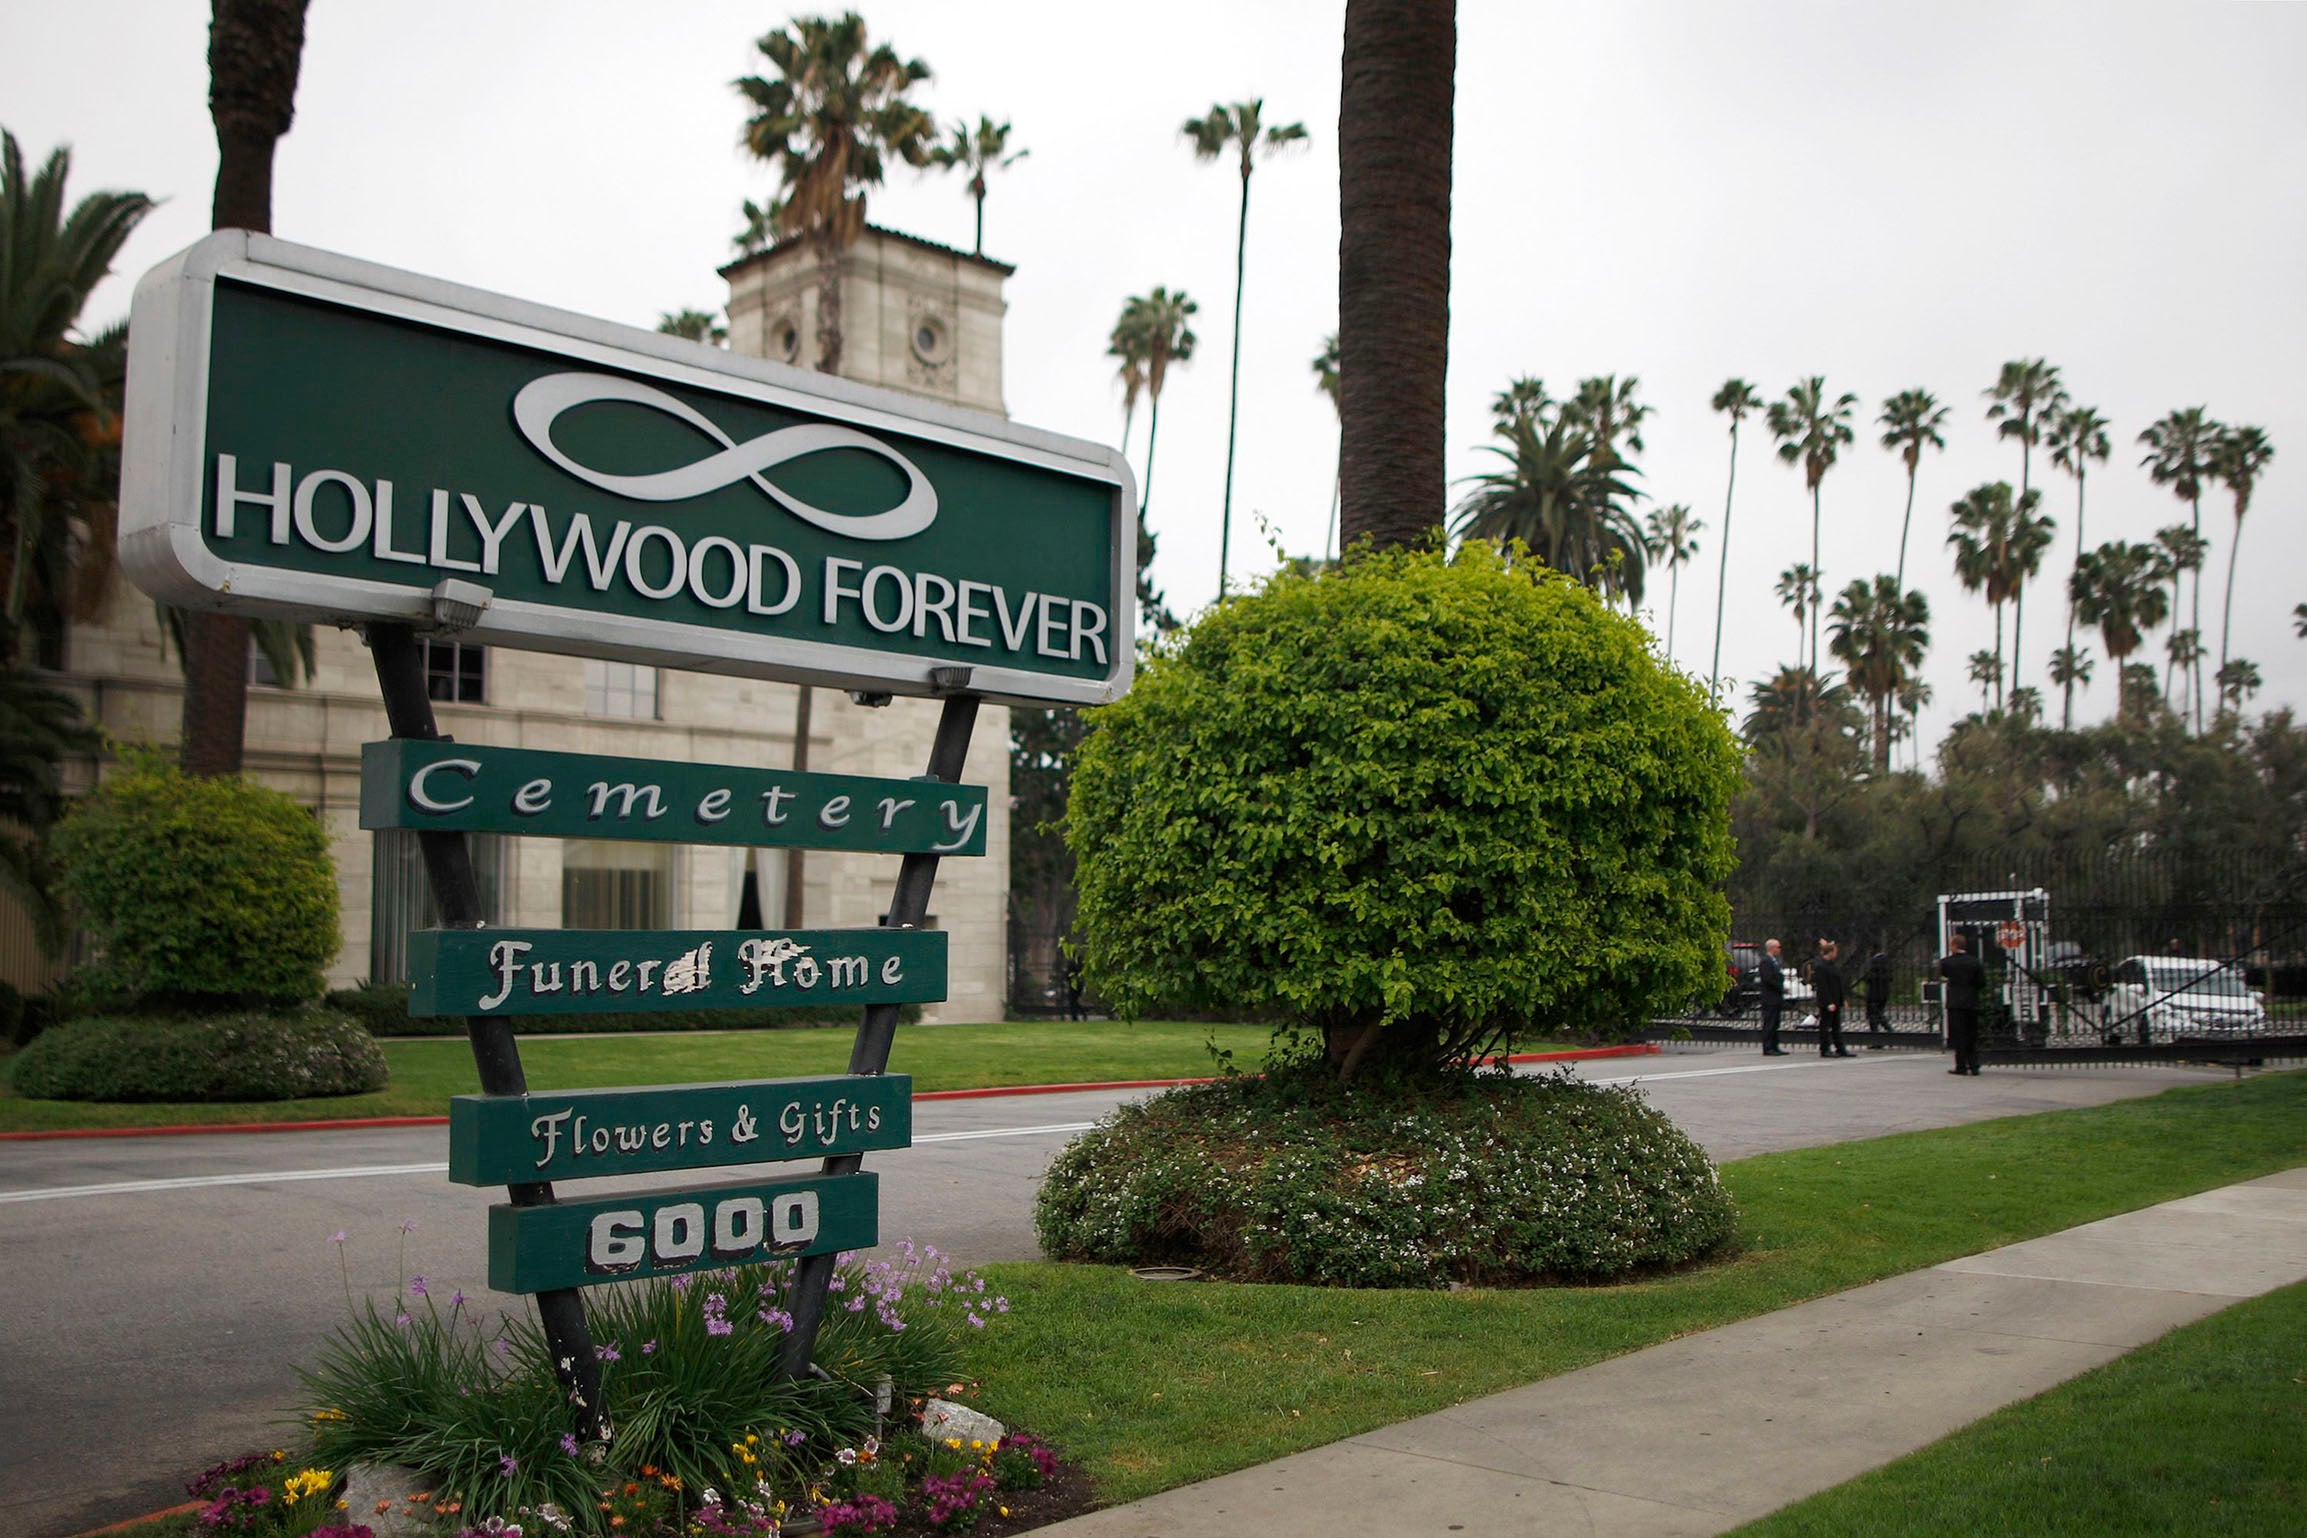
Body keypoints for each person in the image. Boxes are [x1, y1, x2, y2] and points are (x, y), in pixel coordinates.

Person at [1939, 931, 1986, 1075]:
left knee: (1959, 1035)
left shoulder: (1946, 962)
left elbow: (1943, 974)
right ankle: (1974, 1065)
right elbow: (1981, 982)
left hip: (1955, 1002)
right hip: (1971, 1001)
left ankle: (1961, 1065)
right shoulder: (1975, 961)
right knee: (1971, 1034)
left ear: (1953, 946)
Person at [1813, 939, 1850, 1057]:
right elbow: (1822, 986)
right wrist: (1828, 1002)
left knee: (1836, 1026)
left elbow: (1838, 984)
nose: (1836, 954)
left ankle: (1840, 1048)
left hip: (1836, 1000)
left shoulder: (1832, 965)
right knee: (1825, 1026)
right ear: (1830, 952)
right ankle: (1825, 1049)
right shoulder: (1821, 966)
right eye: (1835, 951)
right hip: (1827, 1002)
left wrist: (1842, 999)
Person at [1758, 938, 1787, 1055]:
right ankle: (1768, 1047)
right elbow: (1768, 979)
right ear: (1772, 948)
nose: (1779, 950)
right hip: (1770, 997)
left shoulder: (1774, 961)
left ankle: (1775, 1045)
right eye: (1778, 947)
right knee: (1769, 1022)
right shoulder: (1766, 961)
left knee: (1775, 1022)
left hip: (1776, 997)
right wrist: (1780, 988)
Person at [1863, 943, 1893, 1040]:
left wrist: (1867, 978)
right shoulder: (1887, 960)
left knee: (1874, 1015)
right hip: (1884, 992)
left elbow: (1871, 976)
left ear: (1872, 949)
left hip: (1874, 993)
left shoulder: (1875, 961)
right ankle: (1888, 1032)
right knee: (1878, 1013)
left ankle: (1878, 1037)